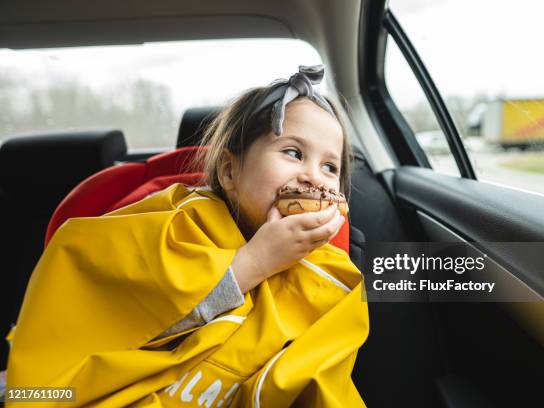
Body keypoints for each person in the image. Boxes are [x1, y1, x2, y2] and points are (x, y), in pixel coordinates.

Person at [6, 65, 369, 407]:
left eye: (329, 167)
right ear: (229, 171)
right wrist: (256, 261)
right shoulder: (180, 222)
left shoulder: (331, 272)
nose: (313, 177)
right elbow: (132, 316)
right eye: (293, 152)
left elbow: (321, 379)